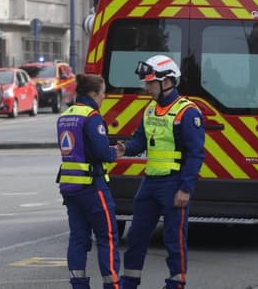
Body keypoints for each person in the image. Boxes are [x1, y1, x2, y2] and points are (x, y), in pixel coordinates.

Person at [117, 55, 205, 289]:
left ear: (167, 81)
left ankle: (175, 283)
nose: (146, 87)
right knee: (135, 237)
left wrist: (186, 188)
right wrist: (124, 148)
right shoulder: (150, 110)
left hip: (174, 184)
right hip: (150, 184)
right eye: (146, 83)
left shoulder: (187, 112)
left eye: (150, 83)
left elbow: (196, 154)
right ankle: (129, 283)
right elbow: (140, 141)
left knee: (173, 240)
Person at [56, 73, 120, 289]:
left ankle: (78, 284)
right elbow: (101, 152)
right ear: (93, 94)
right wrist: (115, 152)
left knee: (78, 238)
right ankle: (112, 285)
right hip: (93, 186)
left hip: (70, 187)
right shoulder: (91, 116)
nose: (104, 98)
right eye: (102, 94)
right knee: (107, 237)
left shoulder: (66, 115)